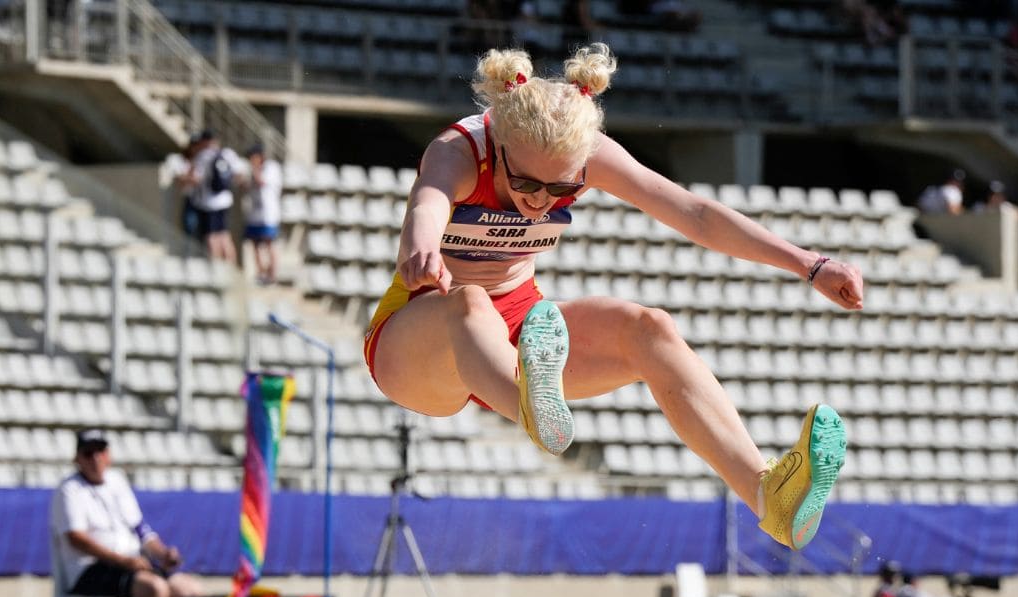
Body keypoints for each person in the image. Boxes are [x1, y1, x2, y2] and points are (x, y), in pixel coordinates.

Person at [364, 44, 864, 551]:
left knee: (650, 329)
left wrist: (810, 263)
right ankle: (530, 406)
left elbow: (694, 213)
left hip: (519, 331)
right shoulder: (458, 151)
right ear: (502, 144)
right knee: (470, 302)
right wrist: (421, 247)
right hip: (420, 339)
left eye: (560, 189)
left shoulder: (587, 152)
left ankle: (768, 497)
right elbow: (427, 202)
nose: (540, 200)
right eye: (525, 183)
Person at [49, 430, 201, 597]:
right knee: (155, 588)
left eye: (101, 451)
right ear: (77, 458)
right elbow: (76, 538)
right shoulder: (69, 490)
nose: (95, 458)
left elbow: (140, 528)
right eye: (88, 453)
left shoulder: (117, 481)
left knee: (190, 591)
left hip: (132, 562)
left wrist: (162, 553)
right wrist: (123, 561)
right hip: (90, 568)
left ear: (108, 455)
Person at [184, 129, 239, 264]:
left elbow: (195, 179)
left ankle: (218, 267)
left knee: (212, 237)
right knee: (224, 235)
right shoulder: (227, 154)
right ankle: (231, 267)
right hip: (225, 200)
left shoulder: (203, 156)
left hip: (209, 203)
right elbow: (239, 174)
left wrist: (185, 176)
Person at [240, 143, 283, 285]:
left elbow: (261, 182)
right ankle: (261, 272)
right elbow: (246, 187)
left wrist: (254, 170)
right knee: (254, 243)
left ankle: (272, 275)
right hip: (254, 213)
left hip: (268, 214)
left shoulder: (271, 167)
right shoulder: (252, 169)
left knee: (270, 243)